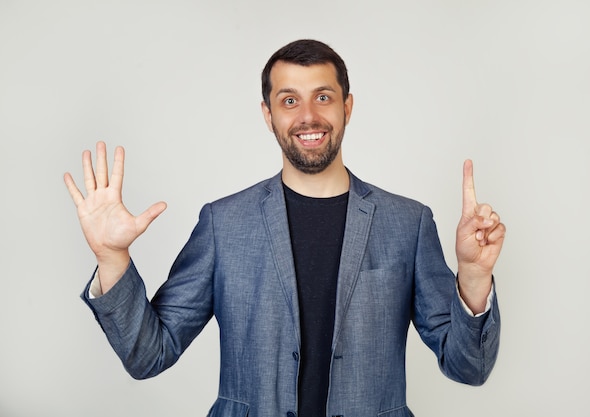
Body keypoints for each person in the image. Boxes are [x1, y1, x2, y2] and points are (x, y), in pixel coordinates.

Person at [64, 39, 505, 417]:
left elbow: (469, 368)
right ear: (268, 114)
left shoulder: (408, 224)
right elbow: (148, 355)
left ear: (348, 107)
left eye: (324, 97)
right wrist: (112, 259)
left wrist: (473, 277)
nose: (308, 116)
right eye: (290, 100)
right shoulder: (223, 224)